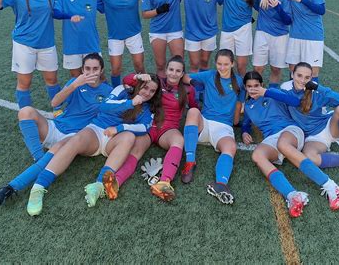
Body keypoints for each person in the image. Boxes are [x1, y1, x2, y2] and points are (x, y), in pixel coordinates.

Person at [26, 75, 163, 216]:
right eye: (145, 87)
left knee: (129, 136)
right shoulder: (122, 90)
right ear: (139, 84)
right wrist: (130, 103)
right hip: (97, 131)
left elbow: (143, 127)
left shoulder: (149, 109)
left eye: (152, 91)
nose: (147, 93)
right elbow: (104, 106)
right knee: (76, 139)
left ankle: (98, 185)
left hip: (114, 140)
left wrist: (119, 128)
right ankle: (38, 187)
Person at [0, 54, 113, 205]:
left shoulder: (108, 91)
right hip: (56, 127)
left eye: (95, 69)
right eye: (87, 68)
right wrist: (75, 85)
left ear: (101, 71)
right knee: (25, 112)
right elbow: (55, 102)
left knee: (57, 148)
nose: (91, 72)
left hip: (74, 136)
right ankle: (39, 157)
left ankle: (11, 188)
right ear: (82, 70)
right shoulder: (75, 82)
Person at [242, 71, 339, 216]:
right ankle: (293, 195)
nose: (253, 89)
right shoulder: (248, 106)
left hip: (290, 130)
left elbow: (296, 101)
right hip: (271, 138)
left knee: (283, 144)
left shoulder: (273, 94)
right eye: (249, 86)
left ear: (262, 85)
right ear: (245, 88)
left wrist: (267, 92)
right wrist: (245, 131)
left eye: (256, 85)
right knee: (257, 155)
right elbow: (245, 122)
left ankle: (330, 185)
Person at [109, 56, 198, 202]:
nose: (173, 74)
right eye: (171, 69)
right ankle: (115, 182)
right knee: (136, 150)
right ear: (166, 70)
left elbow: (194, 107)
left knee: (179, 140)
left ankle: (164, 183)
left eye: (178, 71)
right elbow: (127, 80)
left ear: (182, 74)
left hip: (168, 130)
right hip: (149, 126)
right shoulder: (157, 83)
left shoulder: (188, 90)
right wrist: (138, 76)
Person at [181, 49, 245, 205]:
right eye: (219, 64)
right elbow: (184, 76)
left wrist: (236, 121)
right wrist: (192, 82)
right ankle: (190, 162)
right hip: (205, 123)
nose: (222, 67)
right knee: (194, 111)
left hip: (223, 127)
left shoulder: (239, 81)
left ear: (232, 64)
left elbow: (238, 105)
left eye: (226, 64)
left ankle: (221, 184)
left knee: (230, 147)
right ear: (215, 63)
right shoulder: (209, 75)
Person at [261, 0, 326, 81]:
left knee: (312, 73)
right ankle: (293, 99)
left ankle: (310, 99)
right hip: (295, 35)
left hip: (313, 36)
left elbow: (321, 10)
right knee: (293, 70)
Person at [98, 0, 145, 87]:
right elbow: (97, 4)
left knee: (139, 66)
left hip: (134, 34)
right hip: (114, 36)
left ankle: (143, 88)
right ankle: (116, 91)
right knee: (115, 69)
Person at [54, 0, 102, 77]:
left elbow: (105, 7)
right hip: (72, 45)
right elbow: (55, 13)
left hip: (91, 43)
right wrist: (70, 16)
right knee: (77, 79)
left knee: (97, 77)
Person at [142, 0, 185, 78]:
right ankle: (162, 91)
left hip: (175, 30)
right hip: (158, 31)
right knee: (161, 65)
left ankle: (179, 92)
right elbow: (145, 14)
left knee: (179, 64)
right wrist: (158, 10)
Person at [210, 0, 254, 76]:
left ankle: (241, 89)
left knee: (241, 65)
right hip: (227, 30)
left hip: (244, 29)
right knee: (225, 64)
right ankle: (226, 89)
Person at [181, 0, 224, 73]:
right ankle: (194, 88)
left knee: (205, 62)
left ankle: (202, 87)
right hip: (192, 32)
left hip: (209, 31)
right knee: (194, 64)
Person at [253, 0, 292, 88]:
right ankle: (256, 95)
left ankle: (272, 95)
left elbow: (288, 21)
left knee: (276, 69)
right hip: (262, 33)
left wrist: (278, 7)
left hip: (280, 36)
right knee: (258, 68)